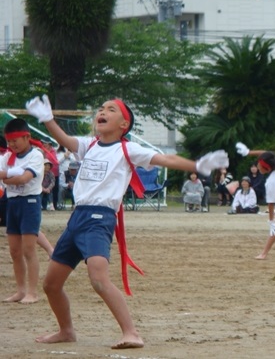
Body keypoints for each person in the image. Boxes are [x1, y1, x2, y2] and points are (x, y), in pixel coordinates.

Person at [25, 95, 228, 349]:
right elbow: (64, 141)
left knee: (99, 280)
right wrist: (47, 119)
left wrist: (196, 164)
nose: (102, 111)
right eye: (101, 109)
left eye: (111, 110)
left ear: (124, 124)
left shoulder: (127, 149)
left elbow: (166, 160)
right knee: (51, 285)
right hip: (76, 218)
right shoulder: (90, 145)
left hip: (99, 219)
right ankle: (66, 331)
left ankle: (131, 332)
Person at [0, 118, 45, 304]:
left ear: (27, 137)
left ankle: (32, 292)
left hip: (30, 202)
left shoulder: (36, 156)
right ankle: (20, 290)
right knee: (15, 251)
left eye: (15, 141)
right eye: (9, 142)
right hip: (13, 203)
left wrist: (9, 178)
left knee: (28, 249)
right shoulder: (7, 157)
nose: (11, 145)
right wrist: (14, 175)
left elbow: (24, 179)